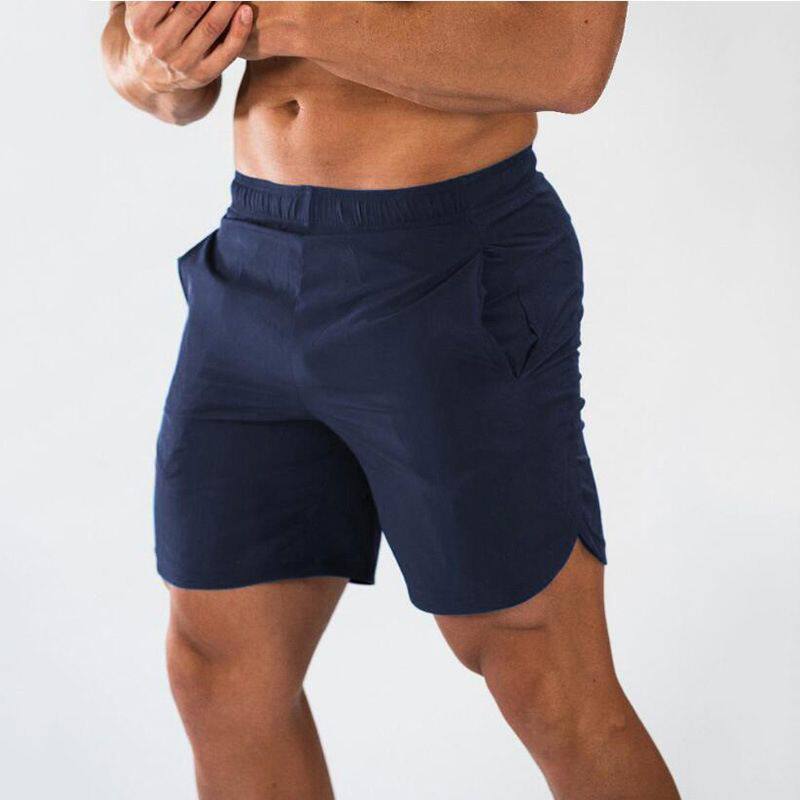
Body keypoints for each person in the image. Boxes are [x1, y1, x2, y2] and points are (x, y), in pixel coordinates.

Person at [102, 3, 680, 798]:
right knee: (218, 673)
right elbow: (131, 46)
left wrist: (284, 18)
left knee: (541, 671)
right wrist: (160, 62)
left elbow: (570, 59)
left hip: (450, 252)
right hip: (254, 257)